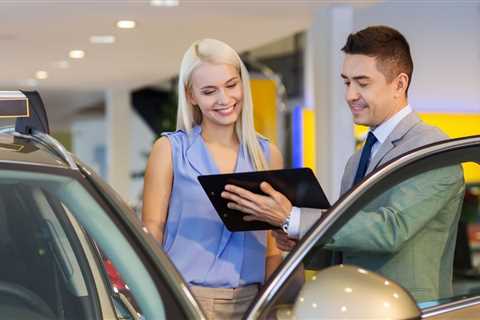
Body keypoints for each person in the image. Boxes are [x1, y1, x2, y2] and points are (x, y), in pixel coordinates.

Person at [221, 26, 465, 301]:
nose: (350, 94)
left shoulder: (430, 149)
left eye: (362, 82)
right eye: (347, 82)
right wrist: (302, 241)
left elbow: (391, 230)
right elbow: (348, 248)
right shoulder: (358, 158)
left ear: (399, 83)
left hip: (407, 308)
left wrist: (295, 218)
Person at [142, 38, 283, 319]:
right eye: (209, 91)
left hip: (253, 302)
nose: (224, 99)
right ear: (191, 95)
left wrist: (273, 305)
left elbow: (272, 245)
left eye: (231, 85)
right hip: (186, 300)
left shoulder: (267, 154)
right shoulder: (170, 150)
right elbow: (151, 230)